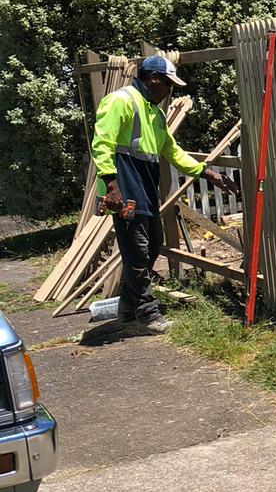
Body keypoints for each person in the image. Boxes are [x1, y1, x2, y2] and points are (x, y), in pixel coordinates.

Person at [90, 55, 236, 332]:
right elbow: (102, 143)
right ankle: (147, 314)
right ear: (153, 79)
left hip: (144, 184)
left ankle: (127, 308)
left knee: (153, 243)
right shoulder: (121, 100)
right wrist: (111, 186)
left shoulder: (155, 114)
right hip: (124, 184)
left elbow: (172, 151)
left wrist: (208, 174)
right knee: (137, 249)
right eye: (168, 84)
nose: (169, 91)